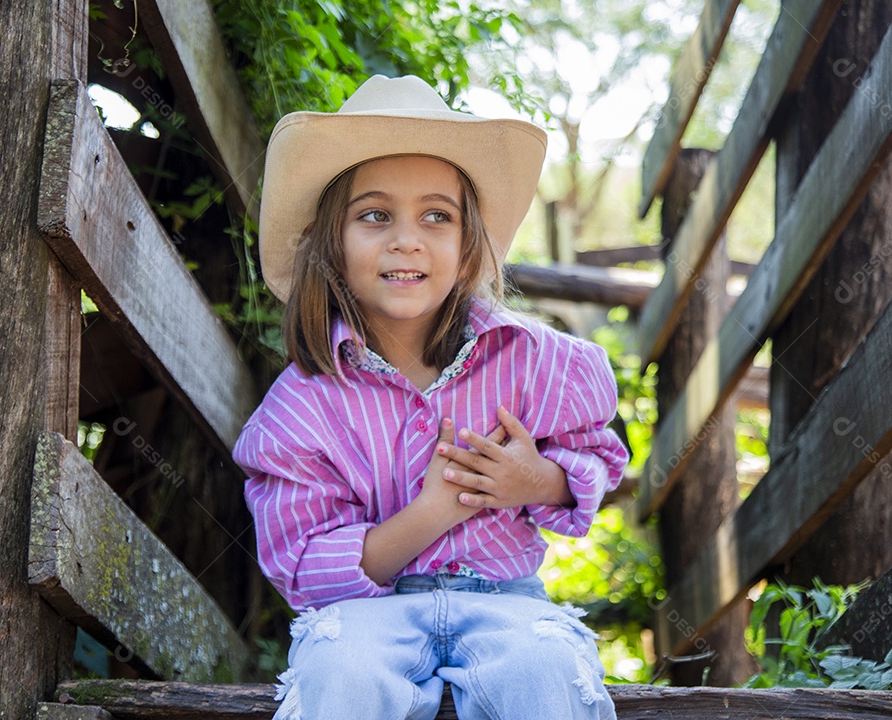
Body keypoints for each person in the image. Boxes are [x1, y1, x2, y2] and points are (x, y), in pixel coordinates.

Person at [233, 74, 628, 720]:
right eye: (375, 215)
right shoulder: (301, 408)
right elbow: (303, 570)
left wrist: (535, 480)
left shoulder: (534, 360)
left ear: (468, 245)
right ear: (332, 243)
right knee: (341, 673)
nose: (407, 239)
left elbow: (596, 459)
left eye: (437, 216)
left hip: (507, 601)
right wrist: (433, 512)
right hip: (367, 613)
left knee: (546, 670)